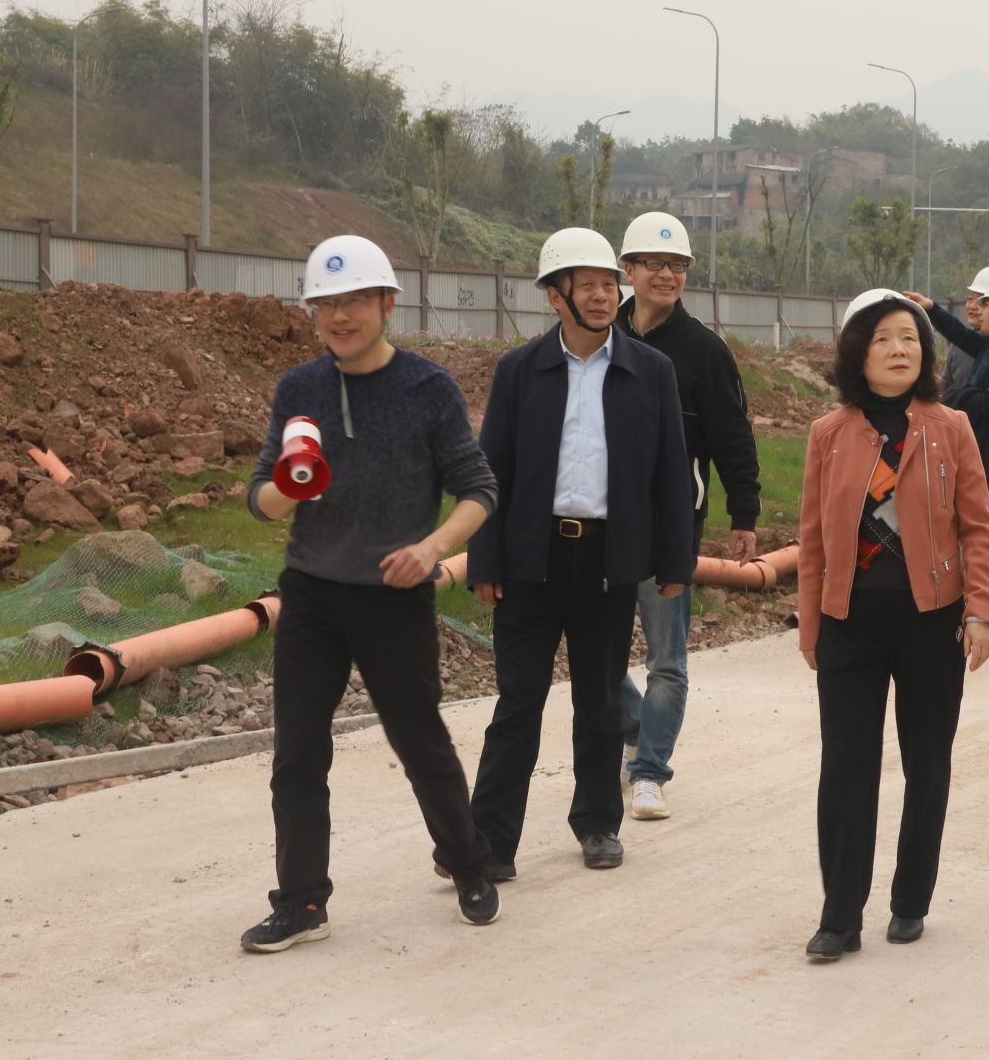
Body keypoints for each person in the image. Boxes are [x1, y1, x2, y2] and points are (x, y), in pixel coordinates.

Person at [240, 235, 503, 953]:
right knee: (297, 754)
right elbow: (259, 497)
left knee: (420, 742)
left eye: (355, 299)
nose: (340, 316)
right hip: (312, 596)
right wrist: (287, 487)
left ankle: (468, 864)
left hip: (394, 597)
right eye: (326, 303)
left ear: (388, 303)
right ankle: (301, 901)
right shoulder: (299, 389)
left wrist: (431, 549)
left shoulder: (428, 389)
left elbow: (479, 489)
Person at [467, 227, 696, 878]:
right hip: (529, 562)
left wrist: (675, 562)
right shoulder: (520, 370)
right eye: (586, 285)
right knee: (517, 704)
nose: (601, 296)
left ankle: (598, 824)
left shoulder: (650, 372)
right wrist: (485, 560)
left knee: (599, 703)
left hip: (606, 564)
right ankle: (489, 841)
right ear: (554, 295)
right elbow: (492, 471)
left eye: (607, 284)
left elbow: (670, 473)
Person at [797, 289, 989, 961]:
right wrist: (811, 623)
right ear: (858, 351)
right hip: (849, 623)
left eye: (910, 337)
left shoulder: (951, 426)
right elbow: (812, 537)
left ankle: (911, 898)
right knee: (845, 768)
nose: (898, 349)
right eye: (883, 338)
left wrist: (981, 610)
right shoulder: (829, 433)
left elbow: (978, 527)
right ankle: (839, 916)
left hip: (930, 623)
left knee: (927, 763)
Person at [613, 211, 762, 822]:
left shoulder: (703, 351)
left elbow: (734, 437)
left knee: (666, 659)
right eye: (655, 264)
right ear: (628, 270)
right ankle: (635, 729)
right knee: (597, 655)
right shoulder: (599, 334)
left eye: (677, 265)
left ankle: (650, 772)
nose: (667, 275)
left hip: (670, 522)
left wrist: (744, 513)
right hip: (600, 523)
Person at [913, 273, 989, 643]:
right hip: (979, 452)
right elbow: (960, 335)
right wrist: (931, 309)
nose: (978, 309)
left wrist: (951, 396)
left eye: (986, 304)